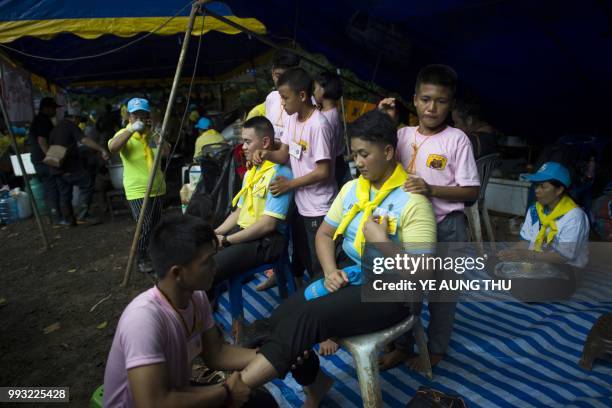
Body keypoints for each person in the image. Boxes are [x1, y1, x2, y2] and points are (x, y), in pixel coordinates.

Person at [235, 110, 436, 406]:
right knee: (280, 317)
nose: (358, 162)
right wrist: (329, 271)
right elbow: (324, 234)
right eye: (354, 154)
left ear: (389, 151)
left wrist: (382, 243)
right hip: (351, 273)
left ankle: (234, 390)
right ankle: (314, 380)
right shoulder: (353, 189)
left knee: (309, 317)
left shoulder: (413, 202)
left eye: (365, 154)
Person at [103, 215, 278, 408]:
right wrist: (225, 392)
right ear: (177, 273)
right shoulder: (142, 320)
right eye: (208, 261)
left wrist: (274, 355)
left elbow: (216, 353)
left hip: (173, 392)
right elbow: (152, 403)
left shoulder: (196, 297)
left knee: (261, 402)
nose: (215, 266)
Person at [378, 64, 480, 371]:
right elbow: (373, 157)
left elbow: (472, 192)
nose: (432, 107)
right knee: (406, 293)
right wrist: (384, 120)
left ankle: (435, 352)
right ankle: (402, 347)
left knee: (442, 297)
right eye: (425, 99)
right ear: (414, 99)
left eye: (441, 101)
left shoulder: (457, 139)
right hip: (409, 230)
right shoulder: (401, 135)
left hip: (448, 228)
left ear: (450, 104)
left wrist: (430, 188)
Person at [253, 67, 336, 288]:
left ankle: (326, 307)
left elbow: (323, 171)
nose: (282, 103)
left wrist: (289, 184)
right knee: (305, 254)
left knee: (322, 264)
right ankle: (312, 295)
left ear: (301, 96)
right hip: (301, 204)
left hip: (320, 207)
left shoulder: (319, 125)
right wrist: (267, 154)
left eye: (285, 97)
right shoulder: (292, 119)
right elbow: (283, 155)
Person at [212, 116, 293, 333]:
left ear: (265, 143)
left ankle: (213, 329)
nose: (243, 147)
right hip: (246, 234)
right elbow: (238, 212)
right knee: (201, 254)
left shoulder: (280, 174)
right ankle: (208, 321)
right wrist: (215, 233)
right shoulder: (251, 172)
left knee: (210, 267)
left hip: (267, 241)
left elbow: (268, 225)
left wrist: (227, 240)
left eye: (248, 142)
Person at [497, 162, 589, 300]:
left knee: (524, 291)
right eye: (536, 185)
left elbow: (563, 257)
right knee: (493, 262)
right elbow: (526, 242)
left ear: (559, 190)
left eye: (543, 186)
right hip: (537, 263)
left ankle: (520, 285)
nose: (537, 190)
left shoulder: (574, 216)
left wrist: (527, 255)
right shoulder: (535, 210)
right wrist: (509, 253)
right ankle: (518, 282)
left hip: (565, 269)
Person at [108, 98, 169, 273]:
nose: (140, 118)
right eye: (136, 115)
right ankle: (141, 257)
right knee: (145, 225)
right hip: (137, 190)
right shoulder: (124, 134)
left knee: (157, 225)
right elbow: (113, 147)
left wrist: (158, 133)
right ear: (129, 116)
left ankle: (155, 255)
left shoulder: (152, 135)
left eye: (143, 114)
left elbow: (165, 152)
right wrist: (131, 129)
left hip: (157, 187)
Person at [49, 107, 109, 225]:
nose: (79, 123)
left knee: (64, 193)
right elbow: (84, 140)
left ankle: (69, 219)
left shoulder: (56, 128)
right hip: (67, 165)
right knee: (86, 183)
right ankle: (83, 216)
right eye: (79, 120)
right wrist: (101, 149)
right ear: (74, 118)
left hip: (54, 165)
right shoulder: (70, 125)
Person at [28, 97, 64, 224]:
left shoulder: (41, 120)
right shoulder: (42, 120)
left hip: (38, 159)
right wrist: (51, 158)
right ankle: (56, 217)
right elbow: (42, 140)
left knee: (49, 187)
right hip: (43, 160)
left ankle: (53, 216)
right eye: (53, 108)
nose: (55, 111)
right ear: (46, 108)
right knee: (52, 187)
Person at [313, 71, 349, 187]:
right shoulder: (332, 111)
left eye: (315, 88)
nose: (313, 92)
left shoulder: (327, 118)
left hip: (333, 163)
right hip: (338, 160)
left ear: (323, 90)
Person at [265, 50, 301, 140]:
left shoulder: (303, 100)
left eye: (287, 77)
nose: (282, 82)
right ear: (272, 73)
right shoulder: (271, 98)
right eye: (278, 76)